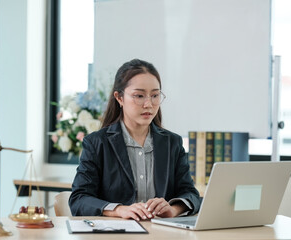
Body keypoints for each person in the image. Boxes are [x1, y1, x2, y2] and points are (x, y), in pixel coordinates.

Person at [69, 59, 201, 221]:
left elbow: (191, 194)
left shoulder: (172, 143)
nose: (148, 104)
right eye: (139, 96)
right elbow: (79, 199)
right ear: (119, 98)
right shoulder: (97, 143)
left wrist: (172, 210)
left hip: (162, 233)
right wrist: (119, 210)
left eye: (155, 95)